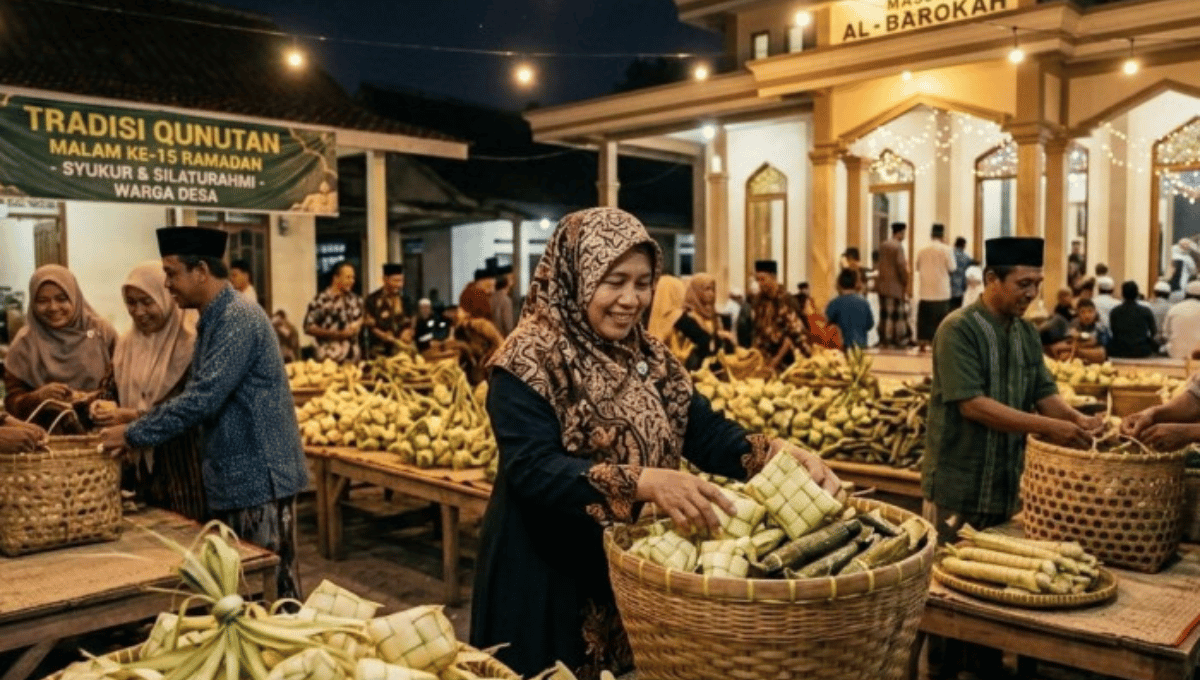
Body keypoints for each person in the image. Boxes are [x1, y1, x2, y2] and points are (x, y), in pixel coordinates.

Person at [469, 207, 841, 679]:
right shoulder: (527, 361)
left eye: (643, 283)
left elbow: (703, 432)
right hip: (544, 575)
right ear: (575, 276)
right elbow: (533, 470)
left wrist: (776, 455)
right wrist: (643, 482)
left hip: (626, 570)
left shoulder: (650, 356)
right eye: (613, 281)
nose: (631, 299)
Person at [923, 237, 1102, 678]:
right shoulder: (957, 329)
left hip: (1006, 486)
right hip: (959, 485)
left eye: (1038, 284)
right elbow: (973, 405)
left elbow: (1044, 393)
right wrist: (1049, 428)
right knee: (952, 597)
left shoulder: (1025, 332)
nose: (1031, 293)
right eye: (1023, 283)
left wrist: (1079, 422)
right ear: (991, 280)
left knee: (996, 597)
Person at [99, 227, 308, 601]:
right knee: (242, 591)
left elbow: (202, 398)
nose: (168, 284)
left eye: (172, 273)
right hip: (235, 473)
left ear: (200, 271)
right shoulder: (212, 318)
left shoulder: (238, 318)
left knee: (271, 592)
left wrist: (133, 433)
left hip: (260, 474)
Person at [90, 261, 206, 521]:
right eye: (131, 303)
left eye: (147, 301)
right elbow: (109, 390)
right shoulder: (127, 344)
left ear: (166, 298)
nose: (139, 311)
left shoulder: (191, 344)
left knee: (187, 539)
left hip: (184, 468)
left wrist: (132, 417)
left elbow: (190, 410)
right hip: (141, 472)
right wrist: (101, 406)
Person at [4, 265, 118, 430]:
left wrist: (95, 398)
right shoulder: (24, 343)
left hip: (103, 434)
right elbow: (11, 405)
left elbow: (125, 384)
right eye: (42, 301)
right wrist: (38, 397)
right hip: (45, 439)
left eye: (62, 299)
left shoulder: (102, 332)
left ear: (75, 297)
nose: (53, 307)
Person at [750, 260, 811, 370]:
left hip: (788, 361)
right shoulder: (759, 301)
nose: (760, 283)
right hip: (766, 359)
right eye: (757, 280)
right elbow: (757, 331)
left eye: (763, 279)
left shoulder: (786, 301)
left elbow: (792, 336)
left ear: (773, 277)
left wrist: (775, 362)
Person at [304, 261, 363, 363]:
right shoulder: (322, 300)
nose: (352, 281)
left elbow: (360, 319)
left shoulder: (355, 300)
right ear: (335, 278)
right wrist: (337, 334)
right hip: (328, 360)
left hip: (352, 361)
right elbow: (308, 327)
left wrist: (359, 324)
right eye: (348, 277)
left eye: (353, 278)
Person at [675, 273, 735, 371]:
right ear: (696, 291)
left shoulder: (716, 318)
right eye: (707, 289)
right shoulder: (687, 318)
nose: (711, 293)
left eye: (713, 289)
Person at [915, 224, 957, 351]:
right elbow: (952, 268)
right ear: (943, 235)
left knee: (924, 320)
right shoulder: (947, 249)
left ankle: (922, 343)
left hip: (925, 290)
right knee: (940, 320)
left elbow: (917, 267)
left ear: (931, 234)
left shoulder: (922, 249)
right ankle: (939, 343)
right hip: (941, 291)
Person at [453, 284, 505, 385]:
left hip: (484, 378)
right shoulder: (464, 329)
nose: (458, 310)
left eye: (462, 306)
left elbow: (501, 344)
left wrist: (486, 358)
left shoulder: (479, 324)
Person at [364, 263, 413, 359]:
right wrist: (384, 336)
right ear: (385, 279)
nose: (399, 285)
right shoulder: (372, 299)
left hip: (402, 350)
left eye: (401, 281)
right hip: (379, 350)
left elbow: (411, 319)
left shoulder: (405, 299)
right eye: (395, 281)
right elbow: (370, 325)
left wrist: (408, 331)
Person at [876, 222, 911, 349]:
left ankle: (884, 338)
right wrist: (906, 280)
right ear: (900, 233)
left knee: (885, 314)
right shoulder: (898, 247)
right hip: (895, 286)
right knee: (897, 315)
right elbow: (901, 266)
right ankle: (897, 338)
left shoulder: (883, 245)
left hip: (882, 285)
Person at [824, 269, 874, 350]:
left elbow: (826, 322)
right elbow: (870, 324)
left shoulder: (835, 302)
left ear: (839, 283)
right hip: (861, 346)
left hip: (843, 347)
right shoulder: (864, 302)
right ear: (855, 283)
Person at [1108, 281, 1158, 358]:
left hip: (1119, 350)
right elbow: (1154, 332)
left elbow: (1113, 331)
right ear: (1137, 294)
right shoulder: (1146, 311)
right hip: (1141, 350)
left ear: (1123, 294)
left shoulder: (1115, 311)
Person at [1163, 281, 1200, 359]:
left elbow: (1165, 334)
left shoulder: (1174, 308)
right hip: (1197, 356)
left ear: (1186, 295)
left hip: (1176, 355)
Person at [491, 266, 516, 338]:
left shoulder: (491, 297)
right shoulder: (505, 300)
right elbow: (508, 327)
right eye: (512, 278)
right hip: (501, 340)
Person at [949, 237, 972, 309]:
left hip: (948, 288)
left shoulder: (949, 254)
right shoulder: (966, 257)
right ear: (964, 245)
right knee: (957, 310)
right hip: (960, 289)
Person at [1148, 280, 1173, 346]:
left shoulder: (1148, 306)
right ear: (1168, 294)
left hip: (1150, 341)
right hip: (1166, 342)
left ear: (1155, 293)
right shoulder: (1172, 307)